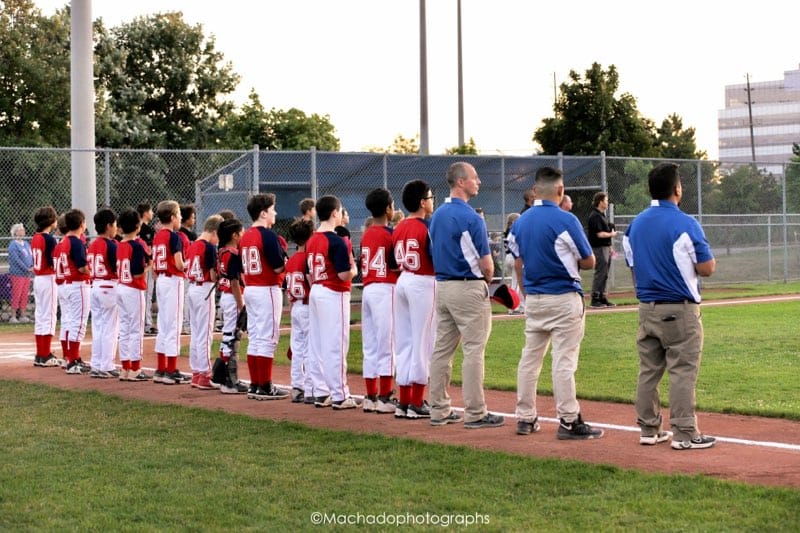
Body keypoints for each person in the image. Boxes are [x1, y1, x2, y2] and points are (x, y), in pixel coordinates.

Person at [622, 162, 717, 450]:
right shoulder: (686, 223)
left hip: (647, 307)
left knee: (648, 370)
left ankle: (649, 429)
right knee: (682, 371)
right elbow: (707, 267)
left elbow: (633, 267)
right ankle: (685, 434)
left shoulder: (634, 225)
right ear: (676, 189)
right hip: (680, 308)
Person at [507, 166, 603, 440]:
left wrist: (526, 293)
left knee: (530, 359)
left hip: (535, 298)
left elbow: (518, 261)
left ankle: (525, 417)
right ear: (560, 191)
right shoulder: (566, 219)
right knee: (563, 361)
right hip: (563, 296)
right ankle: (569, 420)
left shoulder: (520, 222)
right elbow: (589, 261)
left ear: (536, 191)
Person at [428, 162, 504, 429]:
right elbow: (487, 264)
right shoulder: (471, 217)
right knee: (474, 349)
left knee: (442, 350)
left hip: (443, 287)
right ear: (461, 182)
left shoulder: (436, 214)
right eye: (474, 178)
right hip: (468, 287)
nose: (478, 181)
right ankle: (475, 412)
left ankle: (438, 409)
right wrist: (487, 279)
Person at [306, 195, 359, 409]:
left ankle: (320, 391)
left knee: (317, 343)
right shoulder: (335, 239)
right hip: (333, 292)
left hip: (317, 289)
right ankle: (339, 395)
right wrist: (355, 268)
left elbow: (309, 273)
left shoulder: (311, 239)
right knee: (336, 343)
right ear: (334, 213)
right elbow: (345, 275)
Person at [391, 180, 436, 419]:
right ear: (422, 202)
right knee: (423, 342)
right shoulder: (427, 226)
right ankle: (417, 402)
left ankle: (405, 400)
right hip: (423, 281)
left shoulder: (398, 227)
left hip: (403, 280)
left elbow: (391, 262)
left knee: (406, 343)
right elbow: (435, 258)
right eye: (430, 197)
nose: (432, 201)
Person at [240, 193, 289, 400]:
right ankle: (266, 386)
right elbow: (278, 267)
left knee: (256, 337)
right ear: (263, 213)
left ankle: (256, 384)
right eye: (272, 209)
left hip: (250, 288)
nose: (275, 212)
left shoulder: (245, 236)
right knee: (268, 337)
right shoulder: (267, 235)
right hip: (266, 288)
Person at [360, 188, 399, 414]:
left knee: (371, 345)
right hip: (386, 287)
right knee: (387, 344)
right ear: (387, 209)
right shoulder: (389, 234)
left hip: (368, 289)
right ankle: (385, 396)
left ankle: (370, 396)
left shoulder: (367, 234)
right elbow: (395, 264)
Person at [284, 218, 328, 403]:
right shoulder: (307, 259)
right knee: (312, 348)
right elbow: (313, 284)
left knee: (297, 348)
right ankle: (310, 388)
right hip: (308, 305)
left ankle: (297, 386)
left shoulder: (291, 259)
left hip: (295, 306)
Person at [152, 200, 190, 384]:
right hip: (173, 279)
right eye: (179, 215)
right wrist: (190, 263)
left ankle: (160, 368)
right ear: (173, 217)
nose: (181, 218)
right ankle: (171, 370)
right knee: (173, 324)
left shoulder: (158, 236)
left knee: (163, 323)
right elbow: (179, 264)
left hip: (161, 279)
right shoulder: (174, 236)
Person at [185, 214, 223, 390]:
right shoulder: (208, 247)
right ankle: (205, 374)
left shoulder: (193, 245)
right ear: (214, 231)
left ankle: (196, 372)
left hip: (193, 287)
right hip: (204, 290)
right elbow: (213, 274)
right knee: (205, 333)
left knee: (196, 332)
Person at [211, 218, 248, 394]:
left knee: (228, 336)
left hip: (226, 297)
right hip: (233, 297)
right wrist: (242, 306)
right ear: (234, 235)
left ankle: (221, 376)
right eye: (241, 232)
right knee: (232, 338)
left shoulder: (222, 251)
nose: (243, 235)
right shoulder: (232, 254)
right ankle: (229, 381)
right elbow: (234, 283)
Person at [115, 209, 153, 381]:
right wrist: (149, 266)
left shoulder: (120, 244)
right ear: (138, 226)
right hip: (133, 288)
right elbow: (137, 273)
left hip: (121, 287)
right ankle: (136, 369)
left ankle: (125, 367)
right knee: (136, 328)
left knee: (124, 328)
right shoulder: (136, 245)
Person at [56, 209, 92, 374]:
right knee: (79, 323)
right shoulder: (76, 242)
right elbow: (82, 267)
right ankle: (73, 360)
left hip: (66, 284)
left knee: (70, 322)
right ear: (81, 224)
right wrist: (94, 272)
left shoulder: (63, 242)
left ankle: (71, 358)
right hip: (77, 284)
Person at [87, 208, 120, 378]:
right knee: (110, 328)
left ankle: (97, 363)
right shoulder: (111, 245)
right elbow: (117, 268)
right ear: (108, 226)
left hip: (95, 285)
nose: (116, 228)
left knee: (99, 327)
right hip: (108, 285)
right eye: (114, 225)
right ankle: (106, 366)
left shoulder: (93, 245)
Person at [30, 206, 60, 367]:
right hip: (48, 277)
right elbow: (52, 261)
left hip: (38, 278)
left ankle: (40, 354)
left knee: (41, 315)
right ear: (50, 221)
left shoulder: (35, 236)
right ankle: (45, 355)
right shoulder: (49, 239)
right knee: (49, 316)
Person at [587, 191, 617, 308]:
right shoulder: (595, 216)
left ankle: (602, 297)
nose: (607, 202)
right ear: (600, 202)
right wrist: (612, 235)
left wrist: (610, 247)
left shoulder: (601, 215)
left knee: (605, 274)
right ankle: (595, 299)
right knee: (600, 273)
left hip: (605, 247)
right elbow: (599, 234)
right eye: (605, 200)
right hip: (598, 248)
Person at [136, 202, 157, 336]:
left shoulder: (134, 227)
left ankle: (143, 322)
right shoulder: (146, 230)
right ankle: (147, 323)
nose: (152, 213)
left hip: (136, 266)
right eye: (150, 211)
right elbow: (149, 250)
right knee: (146, 294)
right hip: (145, 265)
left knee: (142, 295)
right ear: (145, 213)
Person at [8, 223, 33, 323]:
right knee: (17, 294)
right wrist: (26, 268)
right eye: (21, 230)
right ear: (16, 232)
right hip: (18, 274)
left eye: (23, 229)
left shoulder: (26, 243)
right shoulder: (13, 245)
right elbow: (16, 259)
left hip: (27, 274)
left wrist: (32, 266)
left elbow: (31, 256)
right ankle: (13, 316)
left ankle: (23, 316)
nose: (23, 231)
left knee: (24, 294)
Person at [179, 204, 197, 335]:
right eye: (192, 217)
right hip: (185, 268)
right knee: (186, 297)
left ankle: (185, 323)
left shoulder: (180, 234)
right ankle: (186, 323)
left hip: (186, 269)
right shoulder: (185, 234)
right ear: (186, 219)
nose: (194, 220)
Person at [502, 213, 523, 315]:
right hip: (513, 256)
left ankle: (521, 306)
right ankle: (513, 307)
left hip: (507, 257)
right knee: (516, 283)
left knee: (514, 283)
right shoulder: (513, 229)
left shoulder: (506, 230)